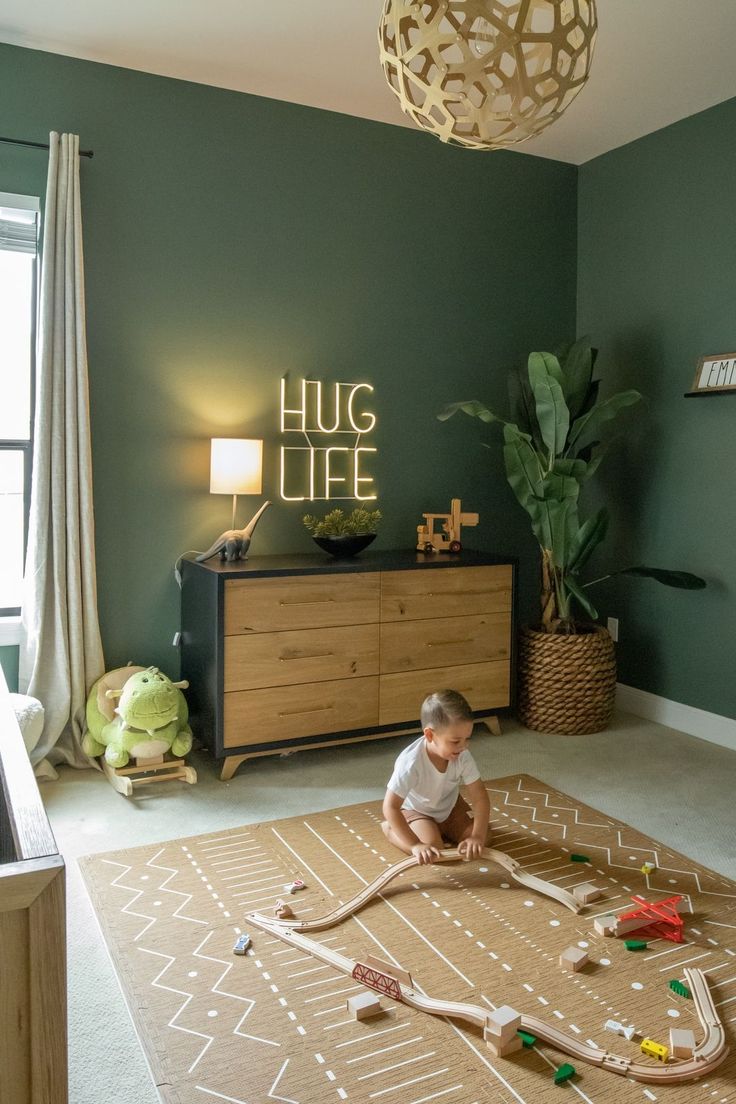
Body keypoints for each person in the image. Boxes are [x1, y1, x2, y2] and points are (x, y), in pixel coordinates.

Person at [382, 689, 490, 865]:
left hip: (449, 806)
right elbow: (390, 807)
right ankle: (390, 830)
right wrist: (415, 844)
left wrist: (477, 836)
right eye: (455, 741)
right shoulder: (410, 763)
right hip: (418, 811)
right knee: (433, 852)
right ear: (430, 735)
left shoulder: (462, 755)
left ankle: (444, 830)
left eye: (467, 739)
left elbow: (480, 798)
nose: (463, 746)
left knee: (482, 840)